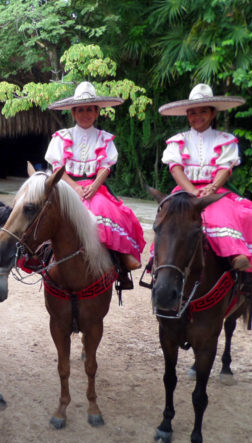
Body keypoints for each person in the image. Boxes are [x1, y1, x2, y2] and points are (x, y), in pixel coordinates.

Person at [158, 83, 252, 300]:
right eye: (193, 112)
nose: (197, 116)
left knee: (245, 215)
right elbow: (175, 168)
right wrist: (192, 191)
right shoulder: (178, 140)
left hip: (216, 189)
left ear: (213, 113)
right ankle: (158, 267)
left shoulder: (225, 140)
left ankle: (249, 275)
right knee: (168, 219)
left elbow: (225, 168)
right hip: (186, 190)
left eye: (203, 111)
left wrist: (212, 188)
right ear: (187, 115)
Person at [44, 81, 146, 289]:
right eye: (80, 109)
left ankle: (121, 264)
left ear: (97, 111)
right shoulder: (61, 138)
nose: (85, 114)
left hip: (94, 187)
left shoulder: (104, 138)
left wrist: (94, 186)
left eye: (90, 109)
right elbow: (57, 168)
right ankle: (36, 257)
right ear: (73, 112)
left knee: (109, 211)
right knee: (41, 212)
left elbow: (105, 167)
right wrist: (75, 188)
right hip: (66, 186)